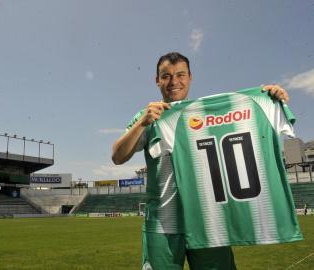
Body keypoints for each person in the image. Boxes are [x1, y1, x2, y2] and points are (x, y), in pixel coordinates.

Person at [112, 52, 290, 270]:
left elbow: (250, 115)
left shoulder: (208, 113)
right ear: (157, 80)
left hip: (209, 220)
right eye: (166, 76)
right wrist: (142, 122)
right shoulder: (149, 116)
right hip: (162, 224)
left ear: (190, 77)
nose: (174, 81)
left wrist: (268, 98)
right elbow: (117, 156)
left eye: (180, 74)